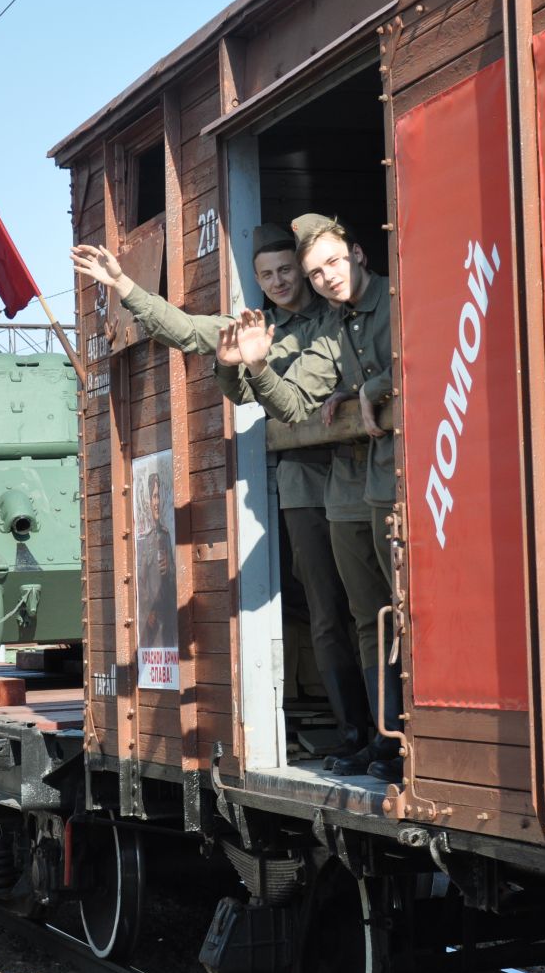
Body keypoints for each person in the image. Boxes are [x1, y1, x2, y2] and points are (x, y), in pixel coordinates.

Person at [70, 228, 371, 756]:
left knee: (369, 607)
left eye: (286, 271)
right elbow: (186, 330)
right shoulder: (259, 328)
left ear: (303, 271)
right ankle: (353, 733)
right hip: (305, 479)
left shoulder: (338, 315)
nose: (278, 282)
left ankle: (384, 735)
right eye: (266, 275)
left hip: (360, 472)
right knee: (326, 610)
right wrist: (124, 285)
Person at [219, 214, 402, 783]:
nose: (323, 277)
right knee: (356, 613)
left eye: (331, 264)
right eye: (313, 270)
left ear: (360, 255)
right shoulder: (332, 327)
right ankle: (378, 733)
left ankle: (396, 734)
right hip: (359, 479)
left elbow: (420, 351)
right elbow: (293, 404)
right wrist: (249, 364)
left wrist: (369, 388)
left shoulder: (395, 301)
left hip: (397, 477)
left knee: (395, 610)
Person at [137, 472, 175, 651]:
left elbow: (174, 575)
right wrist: (148, 610)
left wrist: (169, 568)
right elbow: (140, 579)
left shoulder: (166, 535)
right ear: (148, 501)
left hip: (167, 615)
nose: (157, 502)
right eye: (154, 497)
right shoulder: (145, 539)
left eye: (159, 496)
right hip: (152, 618)